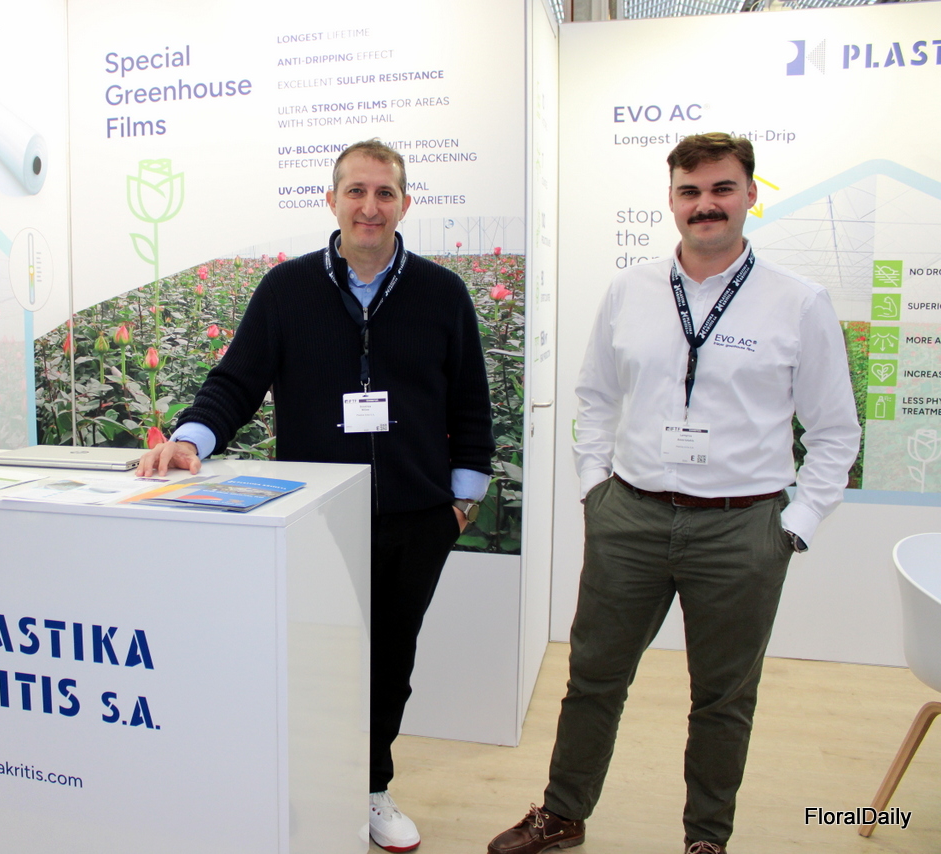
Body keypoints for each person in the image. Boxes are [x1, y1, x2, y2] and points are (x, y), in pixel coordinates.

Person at [486, 133, 860, 854]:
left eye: (722, 189)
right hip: (631, 516)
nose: (705, 204)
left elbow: (835, 431)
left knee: (723, 697)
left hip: (743, 528)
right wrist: (596, 488)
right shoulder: (630, 291)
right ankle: (562, 813)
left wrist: (798, 524)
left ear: (751, 195)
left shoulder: (798, 302)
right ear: (671, 200)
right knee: (593, 678)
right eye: (690, 191)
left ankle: (706, 837)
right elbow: (595, 397)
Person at [137, 138, 495, 852]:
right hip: (317, 517)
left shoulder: (441, 293)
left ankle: (371, 789)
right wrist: (191, 438)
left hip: (415, 518)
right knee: (314, 658)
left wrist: (461, 502)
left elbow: (470, 401)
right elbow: (236, 381)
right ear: (332, 201)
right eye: (356, 191)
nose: (370, 206)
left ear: (405, 205)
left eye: (384, 193)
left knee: (390, 662)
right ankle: (307, 784)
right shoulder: (287, 290)